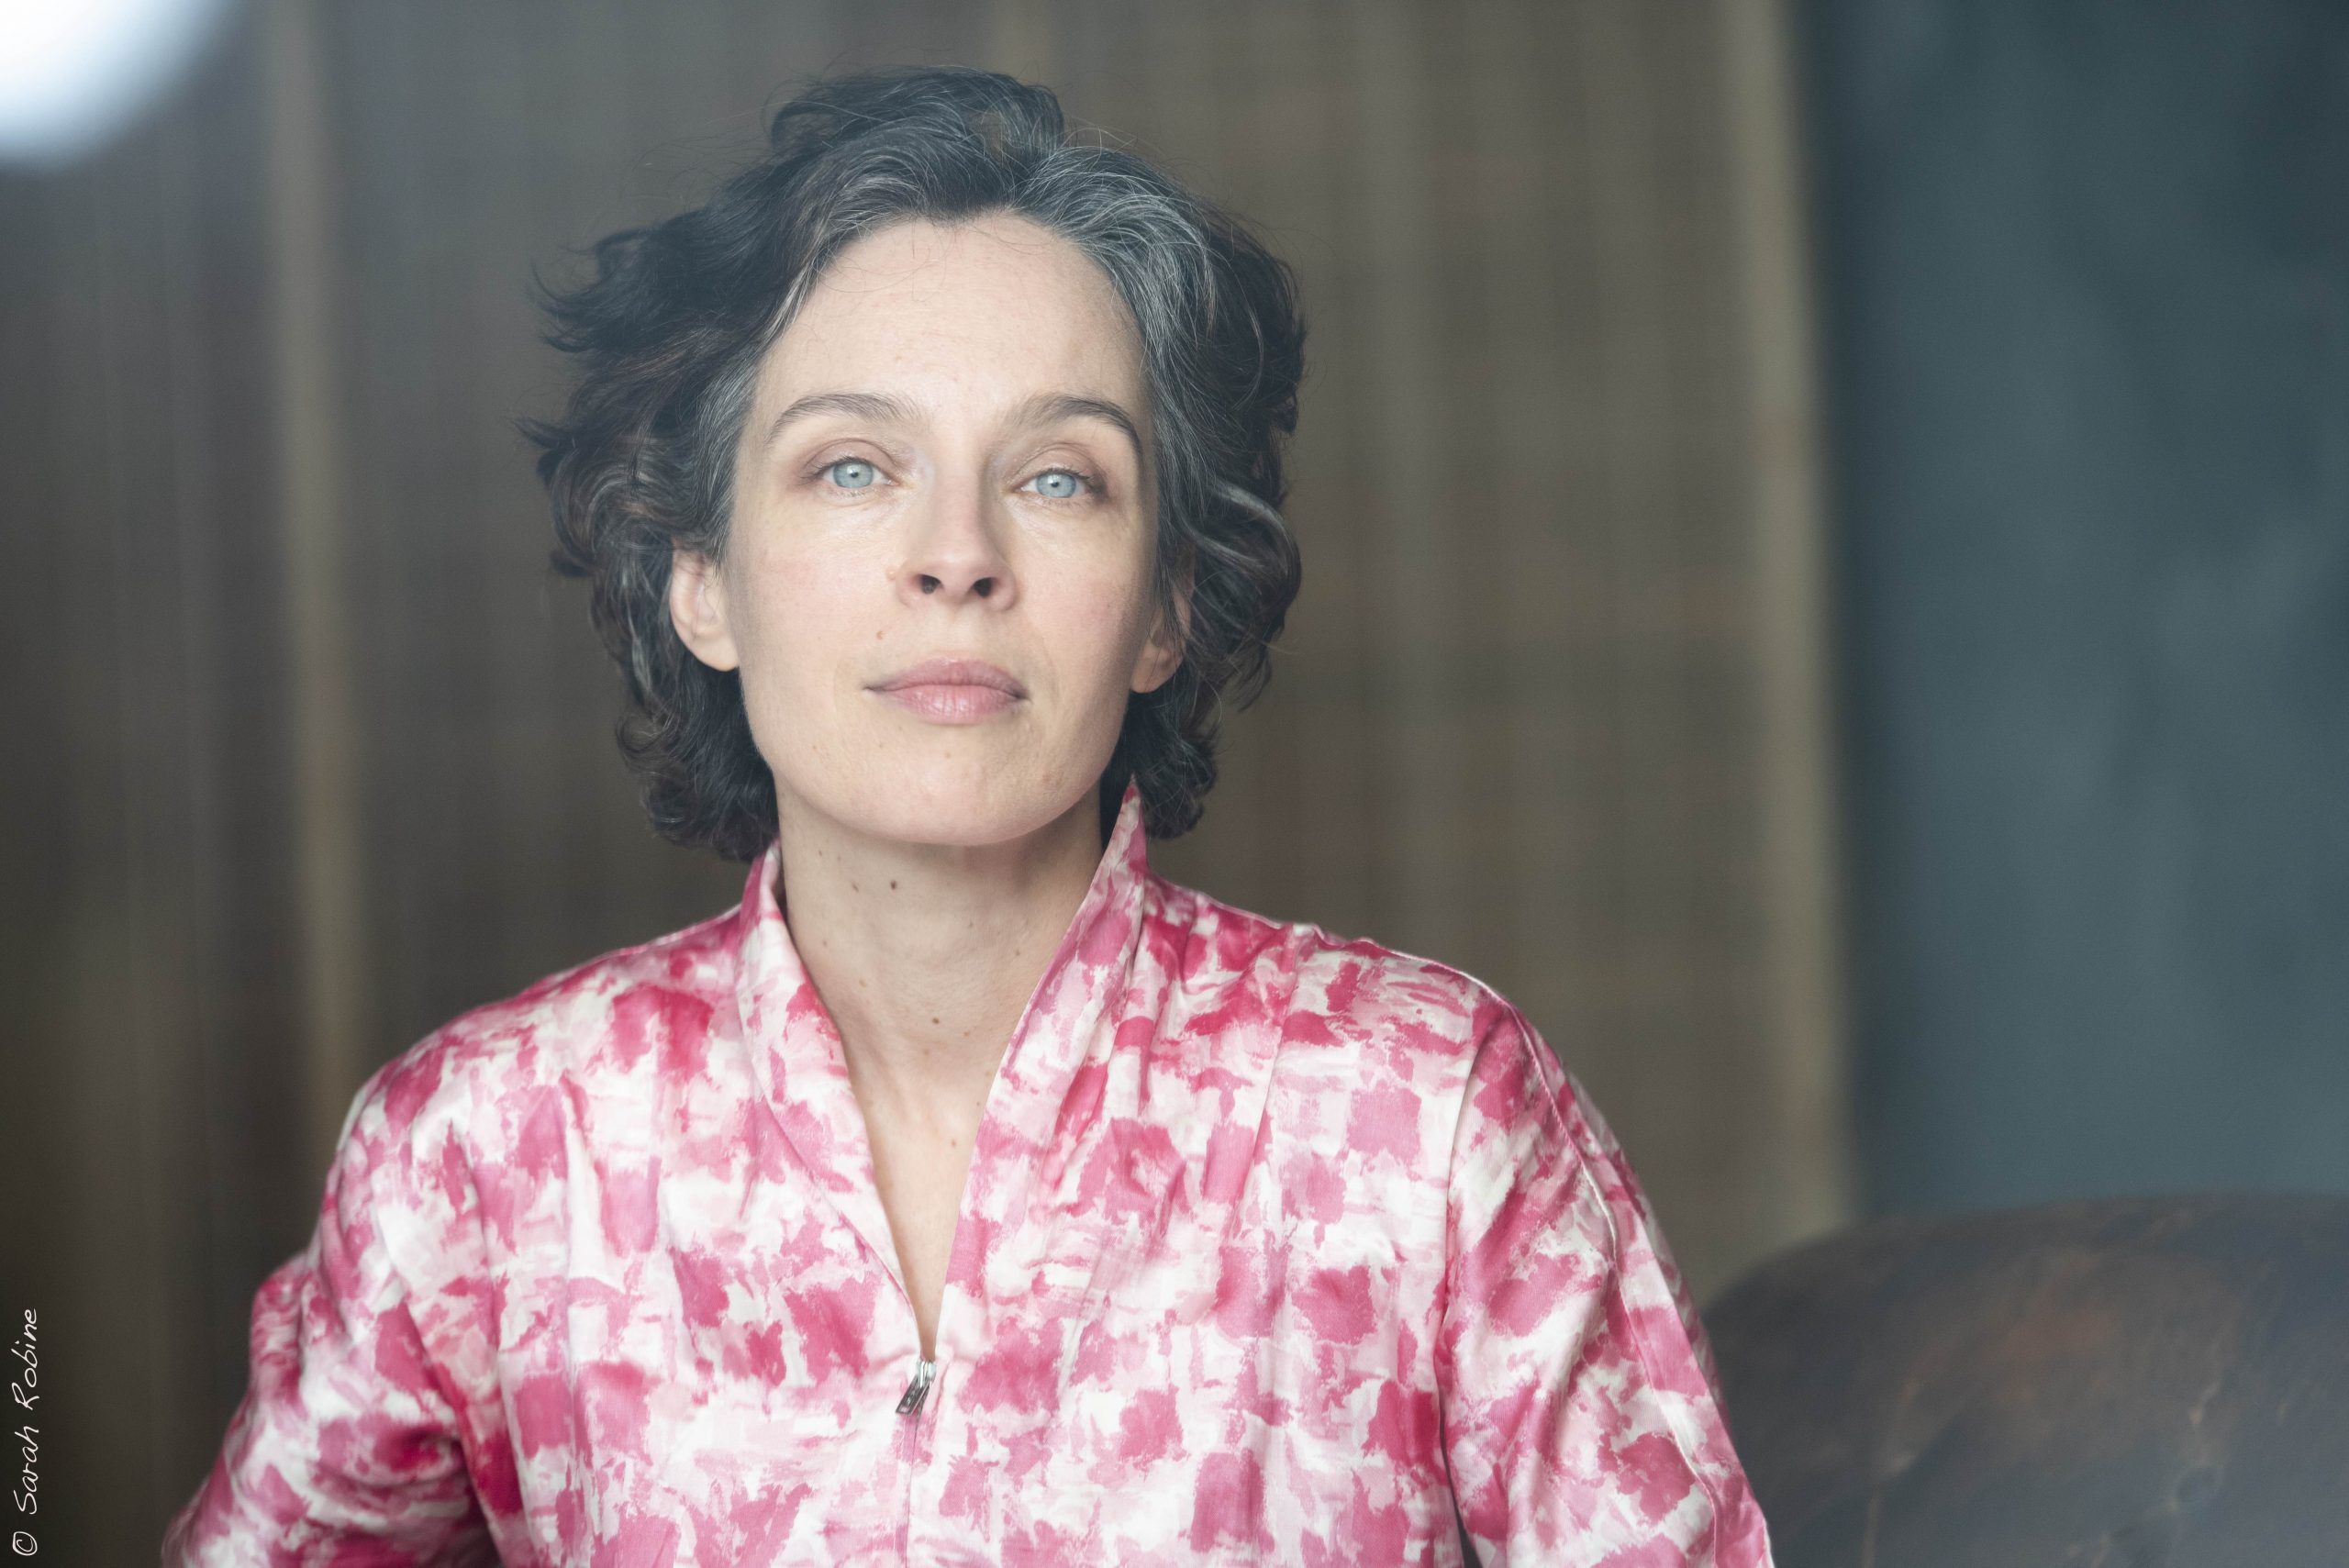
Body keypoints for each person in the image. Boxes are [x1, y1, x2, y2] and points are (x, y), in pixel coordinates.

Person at [162, 64, 1774, 1567]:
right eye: (852, 468)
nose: (958, 554)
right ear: (701, 578)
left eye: (1059, 477)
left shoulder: (1421, 1120)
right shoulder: (485, 1158)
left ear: (1166, 607)